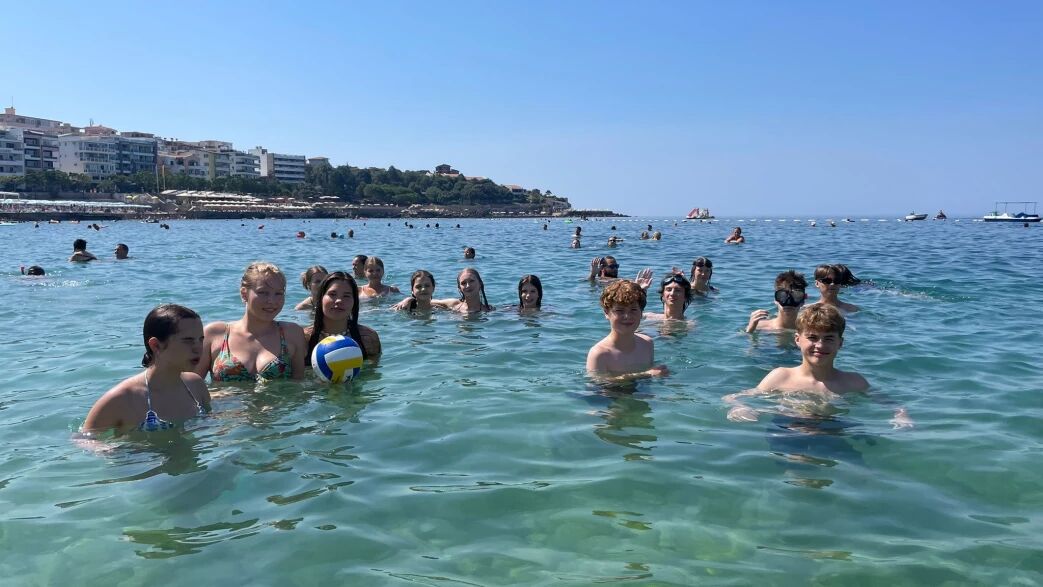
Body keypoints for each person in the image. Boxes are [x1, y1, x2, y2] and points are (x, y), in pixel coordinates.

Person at [724, 304, 912, 428]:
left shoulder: (853, 381)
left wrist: (902, 415)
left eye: (828, 339)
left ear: (840, 343)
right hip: (789, 431)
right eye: (812, 338)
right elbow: (732, 397)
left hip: (834, 430)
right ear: (797, 339)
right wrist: (739, 407)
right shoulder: (782, 376)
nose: (820, 346)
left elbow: (893, 405)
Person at [83, 304, 210, 433]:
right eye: (188, 340)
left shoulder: (196, 385)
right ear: (156, 345)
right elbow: (84, 438)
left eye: (201, 340)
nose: (198, 348)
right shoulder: (123, 398)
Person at [196, 262, 307, 382]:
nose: (272, 300)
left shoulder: (292, 333)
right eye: (263, 292)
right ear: (244, 294)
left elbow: (299, 384)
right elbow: (190, 385)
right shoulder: (214, 334)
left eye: (278, 293)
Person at [586, 280, 669, 380]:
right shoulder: (599, 353)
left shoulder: (647, 344)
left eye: (633, 310)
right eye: (620, 310)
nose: (627, 316)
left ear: (641, 312)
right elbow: (598, 385)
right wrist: (646, 374)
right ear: (606, 313)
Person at [305, 272, 381, 360]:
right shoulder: (304, 339)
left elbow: (373, 368)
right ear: (321, 298)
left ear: (354, 302)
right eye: (332, 294)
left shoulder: (368, 338)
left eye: (346, 296)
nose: (339, 300)